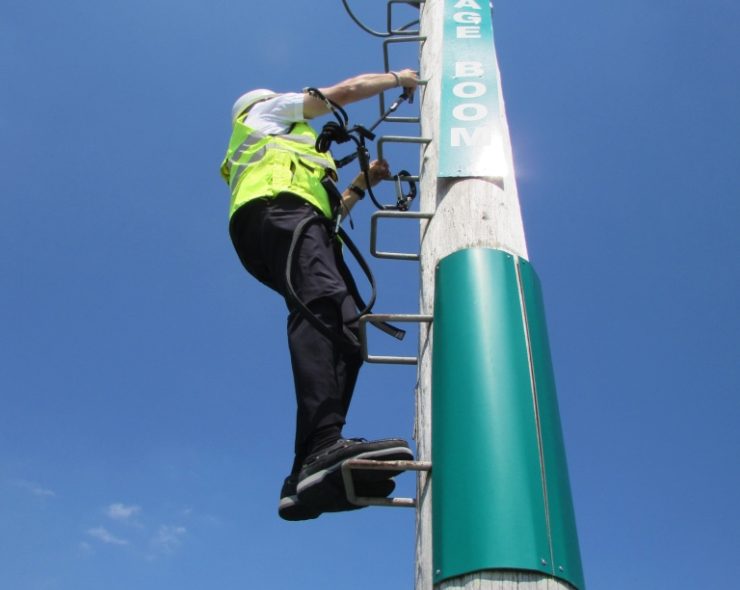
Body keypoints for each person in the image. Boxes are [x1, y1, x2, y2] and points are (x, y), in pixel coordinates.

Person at [220, 69, 419, 521]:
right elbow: (344, 93)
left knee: (348, 332)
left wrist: (359, 187)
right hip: (278, 213)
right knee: (322, 306)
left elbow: (328, 212)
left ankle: (305, 474)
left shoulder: (297, 151)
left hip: (295, 222)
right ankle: (323, 445)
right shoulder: (266, 112)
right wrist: (397, 77)